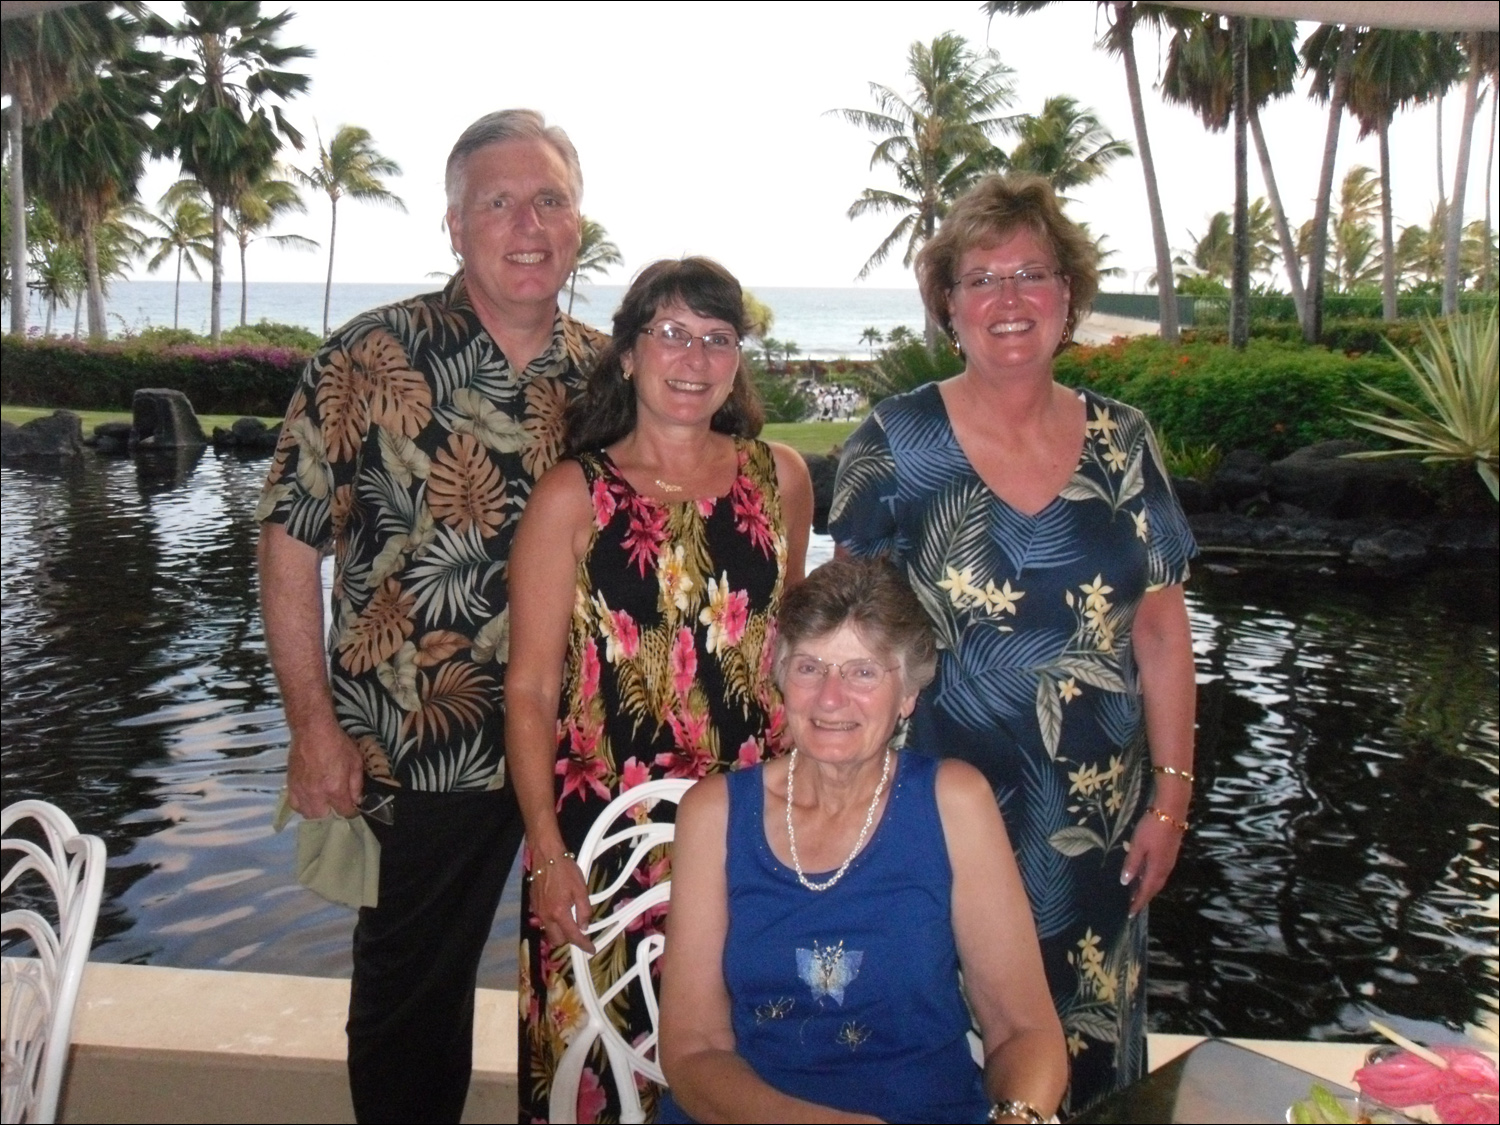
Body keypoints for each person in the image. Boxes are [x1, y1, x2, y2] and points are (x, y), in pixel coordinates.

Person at [256, 109, 607, 1123]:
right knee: (413, 1000)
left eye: (549, 198)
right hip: (418, 745)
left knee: (598, 973)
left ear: (579, 221)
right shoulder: (368, 358)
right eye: (497, 202)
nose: (526, 223)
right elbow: (289, 543)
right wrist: (310, 726)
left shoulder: (610, 376)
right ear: (454, 225)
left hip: (581, 744)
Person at [829, 174, 1198, 1113]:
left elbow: (1160, 630)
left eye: (1032, 273)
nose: (1008, 298)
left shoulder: (1125, 440)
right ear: (947, 303)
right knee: (936, 1048)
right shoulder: (896, 440)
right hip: (936, 815)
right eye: (981, 277)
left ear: (1069, 295)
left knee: (1086, 1057)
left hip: (1097, 826)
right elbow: (850, 642)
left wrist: (1170, 797)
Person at [505, 257, 813, 1122]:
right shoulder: (574, 494)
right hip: (603, 837)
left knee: (748, 1063)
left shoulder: (779, 476)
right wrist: (546, 849)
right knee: (597, 1067)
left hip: (751, 828)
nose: (694, 356)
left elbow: (792, 652)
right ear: (630, 354)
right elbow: (528, 689)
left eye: (717, 338)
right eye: (671, 332)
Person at [658, 555, 1068, 1124]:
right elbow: (693, 1049)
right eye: (810, 668)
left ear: (907, 695)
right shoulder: (714, 814)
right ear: (780, 677)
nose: (830, 699)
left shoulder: (954, 803)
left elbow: (1022, 1028)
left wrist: (1018, 1119)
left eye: (863, 672)